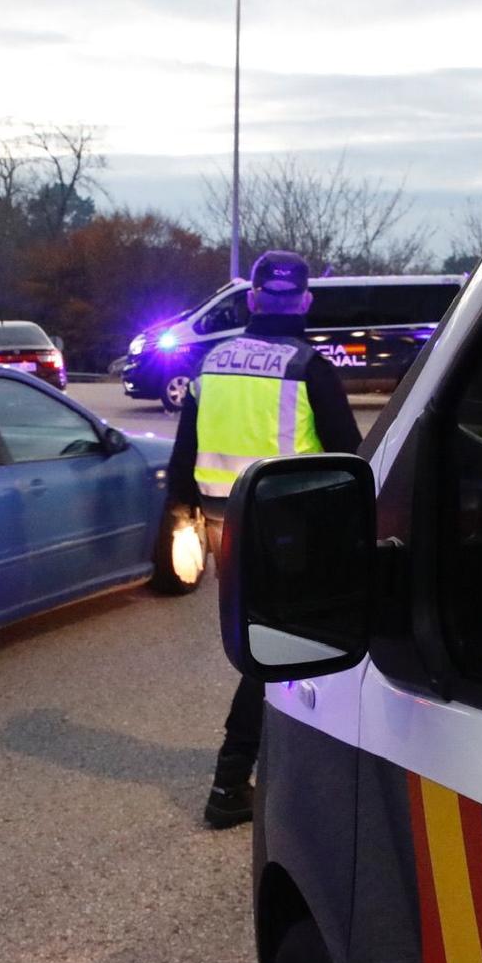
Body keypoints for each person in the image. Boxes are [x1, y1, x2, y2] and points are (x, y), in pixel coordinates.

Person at [167, 250, 363, 829]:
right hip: (289, 528)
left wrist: (180, 517)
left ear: (252, 300)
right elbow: (349, 456)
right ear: (303, 302)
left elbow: (184, 452)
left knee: (267, 645)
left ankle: (254, 772)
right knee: (291, 646)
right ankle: (232, 782)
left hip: (223, 524)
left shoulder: (211, 359)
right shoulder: (310, 367)